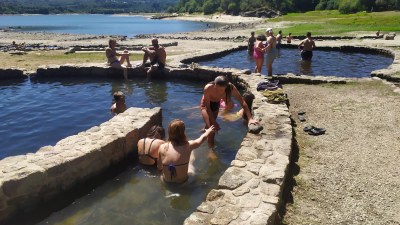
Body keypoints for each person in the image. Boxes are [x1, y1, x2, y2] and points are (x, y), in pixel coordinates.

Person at [200, 75, 259, 147]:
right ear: (214, 84)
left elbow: (242, 102)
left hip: (216, 104)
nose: (219, 92)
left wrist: (250, 119)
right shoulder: (208, 88)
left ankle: (205, 129)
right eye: (217, 89)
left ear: (226, 86)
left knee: (210, 124)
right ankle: (211, 149)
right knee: (212, 127)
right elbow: (208, 107)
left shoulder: (231, 87)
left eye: (221, 90)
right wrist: (214, 122)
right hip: (206, 105)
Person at [157, 119, 215, 184]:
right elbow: (201, 139)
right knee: (190, 160)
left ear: (169, 132)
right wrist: (208, 131)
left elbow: (159, 167)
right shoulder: (188, 145)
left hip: (166, 182)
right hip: (183, 182)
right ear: (183, 132)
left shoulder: (162, 147)